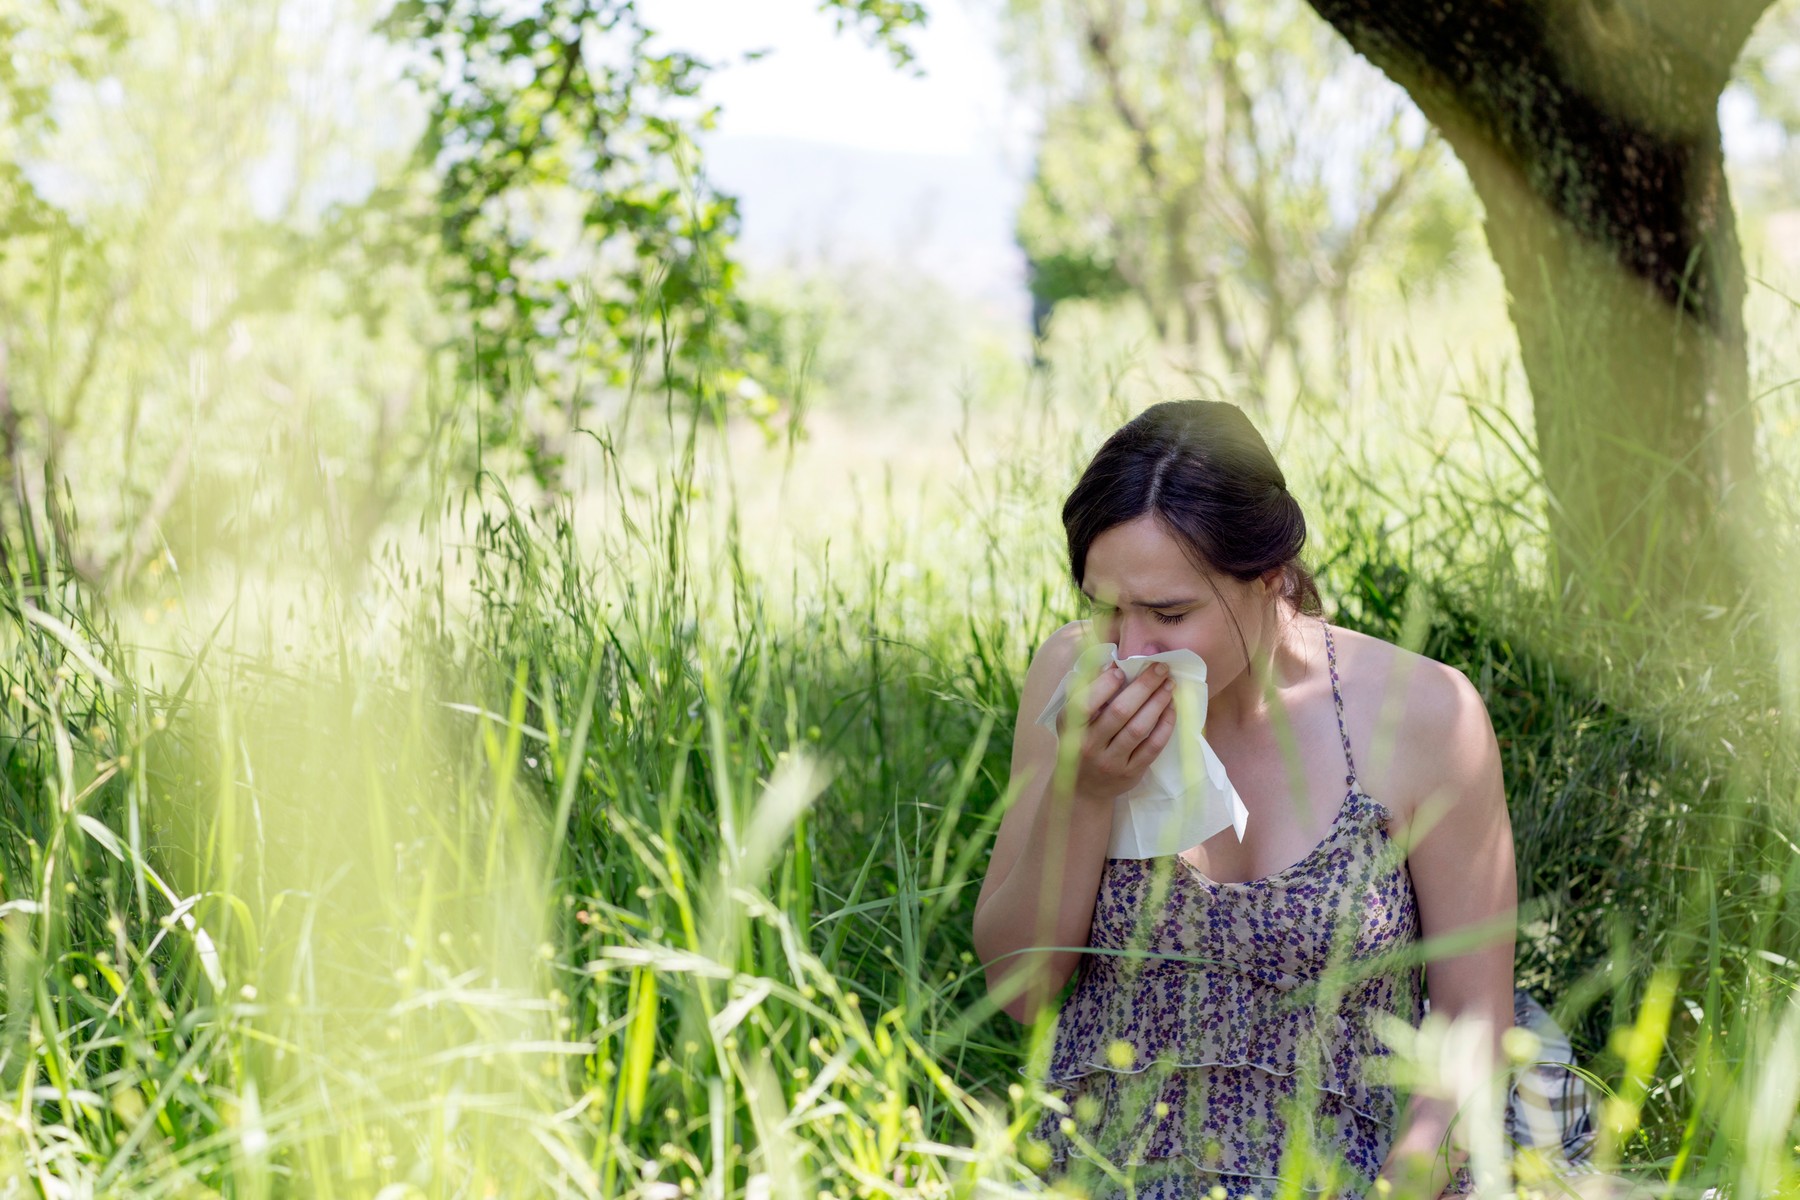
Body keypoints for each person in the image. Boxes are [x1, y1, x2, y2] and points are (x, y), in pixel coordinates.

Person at [971, 401, 1521, 1198]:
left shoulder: (1426, 715)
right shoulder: (1073, 679)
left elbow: (1474, 1023)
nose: (1130, 650)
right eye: (1106, 609)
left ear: (1269, 577)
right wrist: (1083, 793)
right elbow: (1021, 993)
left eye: (1168, 613)